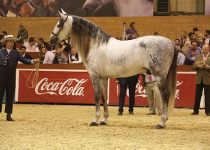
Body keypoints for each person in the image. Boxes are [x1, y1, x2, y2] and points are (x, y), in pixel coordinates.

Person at [0, 35, 39, 121]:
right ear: (5, 43)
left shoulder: (16, 53)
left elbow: (25, 61)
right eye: (9, 41)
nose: (11, 43)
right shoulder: (0, 52)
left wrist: (33, 61)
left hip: (11, 77)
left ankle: (8, 115)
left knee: (10, 96)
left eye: (12, 41)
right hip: (1, 76)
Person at [118, 21, 139, 115]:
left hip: (133, 75)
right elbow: (119, 63)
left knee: (132, 94)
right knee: (122, 94)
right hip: (123, 75)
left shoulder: (136, 51)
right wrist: (117, 77)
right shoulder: (122, 50)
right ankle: (120, 109)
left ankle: (131, 109)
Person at [191, 44, 210, 116]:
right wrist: (196, 66)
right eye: (203, 49)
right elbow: (193, 67)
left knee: (208, 96)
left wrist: (208, 67)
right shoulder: (198, 57)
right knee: (197, 95)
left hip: (207, 79)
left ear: (208, 49)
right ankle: (195, 111)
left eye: (205, 49)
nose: (203, 50)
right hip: (199, 79)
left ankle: (208, 111)